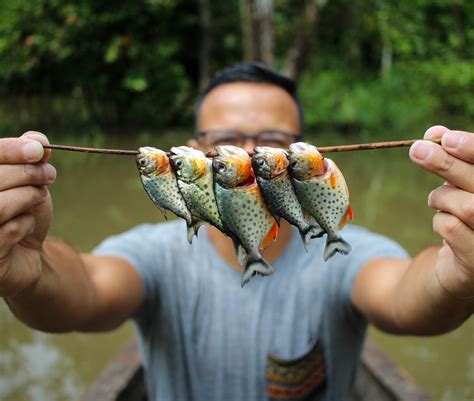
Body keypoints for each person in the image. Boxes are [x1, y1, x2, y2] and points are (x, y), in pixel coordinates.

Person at [0, 62, 473, 400]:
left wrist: (458, 272)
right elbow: (81, 291)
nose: (246, 154)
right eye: (224, 141)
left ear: (303, 152)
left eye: (270, 140)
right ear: (189, 154)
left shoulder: (347, 251)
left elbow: (410, 297)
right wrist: (30, 269)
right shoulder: (152, 252)